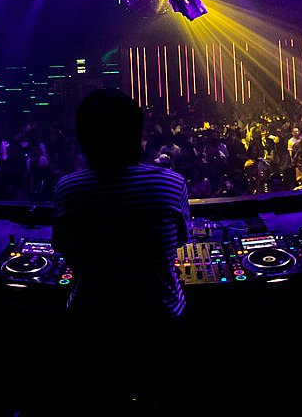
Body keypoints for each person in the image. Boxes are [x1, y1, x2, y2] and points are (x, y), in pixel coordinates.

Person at [51, 88, 190, 410]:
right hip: (160, 319)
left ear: (83, 139)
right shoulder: (170, 183)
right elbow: (181, 241)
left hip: (91, 319)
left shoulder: (67, 188)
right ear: (138, 136)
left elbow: (62, 246)